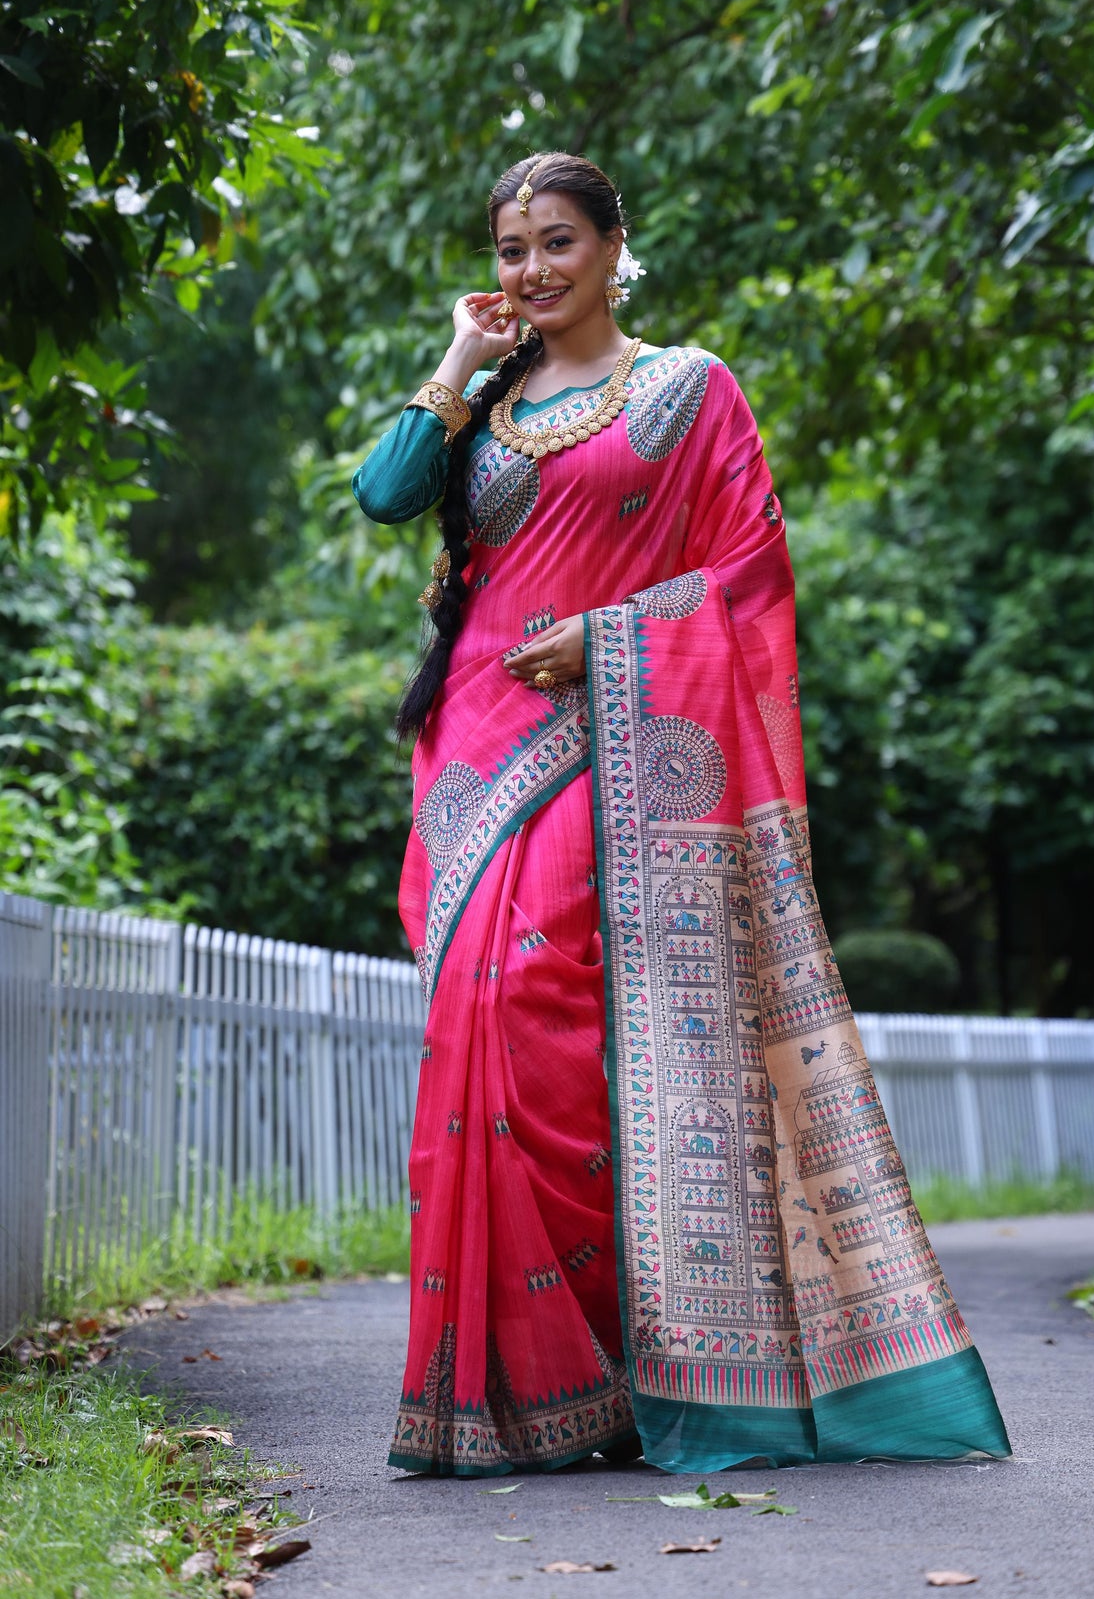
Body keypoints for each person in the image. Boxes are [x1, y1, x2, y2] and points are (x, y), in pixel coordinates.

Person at [353, 151, 1011, 1477]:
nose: (531, 270)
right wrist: (452, 361)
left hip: (623, 734)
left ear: (613, 247)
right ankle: (516, 1393)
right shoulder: (482, 408)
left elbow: (749, 577)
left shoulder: (687, 389)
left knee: (553, 1032)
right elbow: (381, 494)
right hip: (480, 756)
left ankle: (626, 1356)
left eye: (556, 244)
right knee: (473, 1025)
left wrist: (610, 638)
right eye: (510, 249)